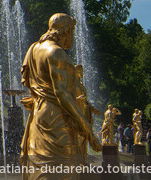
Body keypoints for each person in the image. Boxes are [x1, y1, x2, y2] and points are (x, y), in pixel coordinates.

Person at [20, 13, 101, 180]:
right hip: (58, 119)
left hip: (39, 116)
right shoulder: (57, 53)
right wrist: (85, 126)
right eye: (72, 31)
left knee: (41, 168)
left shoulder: (34, 48)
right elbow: (62, 93)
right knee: (65, 168)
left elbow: (33, 83)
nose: (72, 36)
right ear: (65, 31)